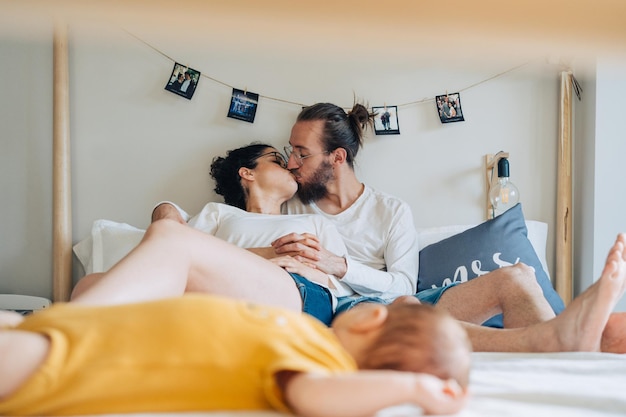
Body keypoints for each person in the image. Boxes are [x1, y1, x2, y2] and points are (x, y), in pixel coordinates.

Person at [0, 219, 471, 416]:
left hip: (71, 359)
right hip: (77, 339)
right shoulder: (304, 339)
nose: (291, 161)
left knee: (170, 235)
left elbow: (315, 397)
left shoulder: (317, 359)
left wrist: (414, 389)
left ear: (371, 318)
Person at [79, 143, 378, 326]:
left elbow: (345, 288)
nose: (290, 164)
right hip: (220, 294)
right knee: (88, 284)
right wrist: (266, 255)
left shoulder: (314, 223)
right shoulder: (218, 214)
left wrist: (310, 268)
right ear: (247, 173)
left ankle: (58, 337)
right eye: (276, 159)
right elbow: (175, 253)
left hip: (297, 293)